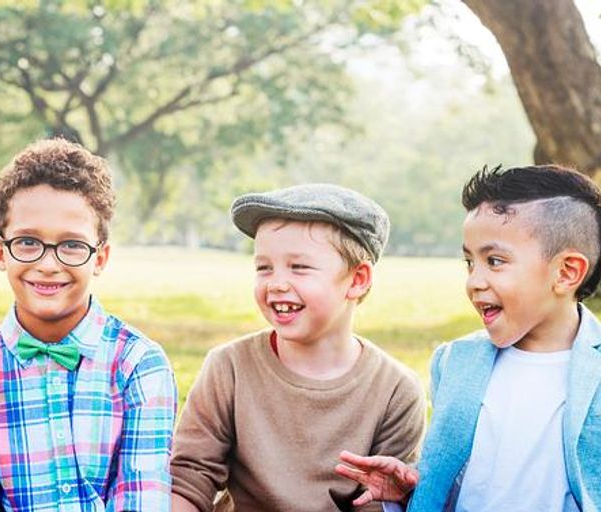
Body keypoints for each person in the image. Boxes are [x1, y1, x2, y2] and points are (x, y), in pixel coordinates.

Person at [336, 165, 601, 512]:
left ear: (566, 273)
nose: (474, 281)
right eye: (469, 262)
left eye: (494, 260)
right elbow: (467, 480)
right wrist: (412, 489)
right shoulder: (454, 362)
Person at [0, 138, 178, 511]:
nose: (49, 264)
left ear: (100, 258)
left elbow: (141, 498)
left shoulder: (139, 365)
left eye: (71, 245)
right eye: (28, 242)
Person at [171, 184, 426, 512]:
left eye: (299, 267)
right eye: (264, 267)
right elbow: (190, 476)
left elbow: (377, 501)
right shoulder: (229, 366)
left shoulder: (395, 390)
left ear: (357, 279)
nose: (276, 282)